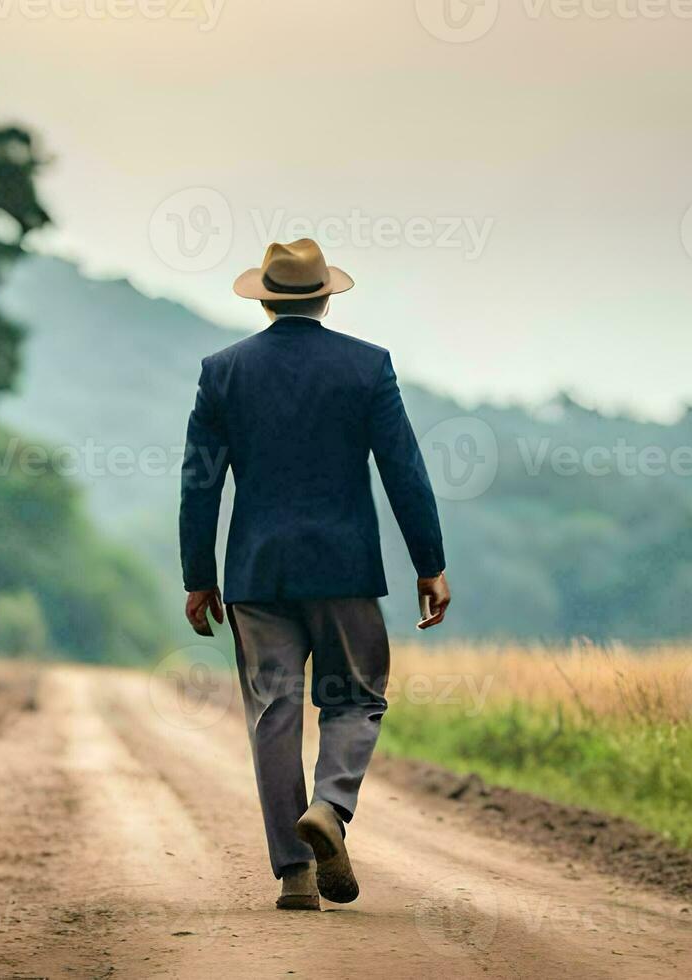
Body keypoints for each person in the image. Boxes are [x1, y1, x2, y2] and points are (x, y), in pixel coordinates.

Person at [178, 237, 451, 911]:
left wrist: (198, 574)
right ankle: (329, 806)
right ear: (327, 297)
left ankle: (295, 874)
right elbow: (404, 472)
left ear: (266, 301)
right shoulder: (367, 367)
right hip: (344, 568)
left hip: (256, 573)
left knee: (273, 711)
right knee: (355, 697)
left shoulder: (224, 372)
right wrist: (430, 563)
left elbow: (200, 484)